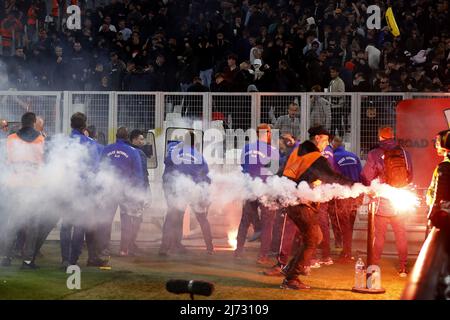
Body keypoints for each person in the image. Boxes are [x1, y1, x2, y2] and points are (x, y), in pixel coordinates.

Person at [280, 126, 352, 289]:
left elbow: (287, 174)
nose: (326, 145)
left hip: (295, 201)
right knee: (312, 238)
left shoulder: (299, 151)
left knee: (315, 237)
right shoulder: (314, 157)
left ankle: (290, 269)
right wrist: (355, 185)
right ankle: (291, 278)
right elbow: (332, 176)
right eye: (326, 140)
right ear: (318, 138)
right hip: (300, 203)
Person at [361, 126, 413, 277]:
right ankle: (403, 267)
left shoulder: (375, 153)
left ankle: (373, 266)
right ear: (393, 136)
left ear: (380, 137)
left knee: (379, 235)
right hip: (400, 200)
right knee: (401, 234)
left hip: (381, 201)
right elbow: (410, 176)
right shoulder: (404, 152)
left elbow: (366, 176)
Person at [60, 113, 108, 268]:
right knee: (79, 225)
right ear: (84, 126)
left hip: (66, 187)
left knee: (66, 224)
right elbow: (95, 169)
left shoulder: (64, 143)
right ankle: (73, 259)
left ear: (71, 124)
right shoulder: (90, 144)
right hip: (84, 190)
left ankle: (65, 259)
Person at [159, 131, 214, 256]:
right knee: (202, 218)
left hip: (179, 190)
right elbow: (206, 175)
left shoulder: (176, 152)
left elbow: (167, 162)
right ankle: (210, 247)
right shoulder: (199, 155)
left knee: (173, 217)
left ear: (184, 141)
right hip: (194, 190)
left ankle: (164, 248)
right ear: (195, 143)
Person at [1, 112, 44, 269]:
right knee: (32, 225)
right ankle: (27, 261)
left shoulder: (11, 139)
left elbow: (5, 161)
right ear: (33, 123)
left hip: (14, 185)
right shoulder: (41, 139)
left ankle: (6, 257)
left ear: (21, 122)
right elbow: (44, 162)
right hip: (33, 186)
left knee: (12, 222)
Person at [235, 124, 279, 264]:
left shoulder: (247, 148)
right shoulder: (272, 150)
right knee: (268, 223)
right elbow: (275, 171)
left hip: (249, 187)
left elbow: (243, 166)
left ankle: (238, 251)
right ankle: (263, 256)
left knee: (245, 221)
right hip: (265, 189)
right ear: (268, 134)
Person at [100, 127, 146, 257]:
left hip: (109, 190)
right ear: (127, 138)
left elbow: (100, 169)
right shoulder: (132, 151)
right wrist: (138, 192)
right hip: (126, 191)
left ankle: (104, 248)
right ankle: (123, 249)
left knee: (106, 219)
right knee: (126, 220)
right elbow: (138, 174)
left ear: (116, 136)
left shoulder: (106, 149)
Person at [331, 136, 363, 262]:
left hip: (342, 195)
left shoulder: (334, 158)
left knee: (343, 225)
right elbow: (362, 174)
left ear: (333, 145)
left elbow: (333, 176)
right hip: (356, 194)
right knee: (350, 224)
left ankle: (346, 253)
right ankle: (347, 251)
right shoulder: (354, 156)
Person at [120, 129, 151, 256]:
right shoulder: (139, 153)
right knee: (137, 218)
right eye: (140, 139)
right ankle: (130, 245)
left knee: (126, 218)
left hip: (123, 190)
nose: (142, 141)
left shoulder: (125, 151)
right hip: (136, 191)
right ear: (133, 139)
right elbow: (143, 174)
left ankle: (124, 247)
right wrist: (146, 192)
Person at [426, 130, 450, 260]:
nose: (436, 145)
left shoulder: (445, 166)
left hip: (444, 218)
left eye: (438, 142)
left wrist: (433, 212)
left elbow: (440, 194)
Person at [328, 66, 346, 138]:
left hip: (338, 105)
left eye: (333, 72)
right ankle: (332, 136)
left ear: (337, 73)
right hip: (332, 104)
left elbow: (341, 93)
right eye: (331, 72)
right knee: (334, 122)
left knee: (337, 122)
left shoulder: (340, 82)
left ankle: (341, 136)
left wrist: (332, 95)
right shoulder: (331, 81)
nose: (331, 73)